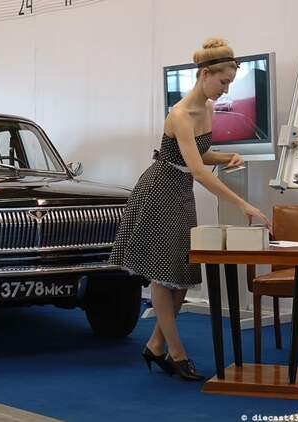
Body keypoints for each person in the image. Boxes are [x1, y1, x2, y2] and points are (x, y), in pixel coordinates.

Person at [108, 38, 271, 381]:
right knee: (163, 274)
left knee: (182, 273)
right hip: (159, 190)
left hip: (180, 191)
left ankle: (155, 346)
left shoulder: (207, 109)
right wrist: (244, 204)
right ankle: (177, 354)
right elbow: (197, 170)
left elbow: (198, 156)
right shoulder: (180, 114)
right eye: (223, 82)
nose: (226, 90)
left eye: (230, 83)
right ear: (204, 74)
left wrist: (227, 156)